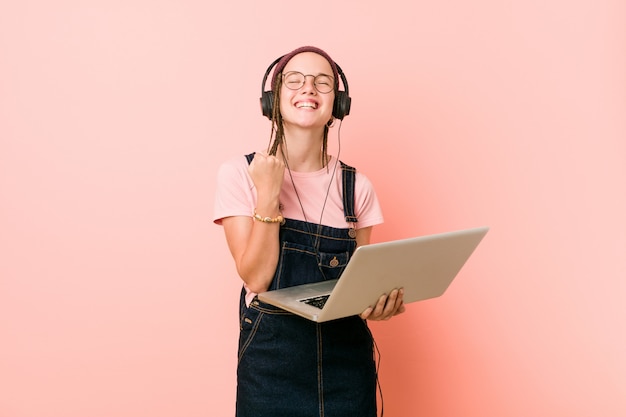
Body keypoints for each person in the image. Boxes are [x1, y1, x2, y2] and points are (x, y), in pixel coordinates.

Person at [213, 46, 405, 417]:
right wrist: (268, 194)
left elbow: (357, 287)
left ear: (339, 104)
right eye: (294, 81)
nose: (309, 89)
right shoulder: (239, 174)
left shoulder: (357, 187)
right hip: (270, 366)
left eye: (323, 82)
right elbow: (256, 276)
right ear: (272, 100)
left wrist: (377, 306)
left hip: (346, 366)